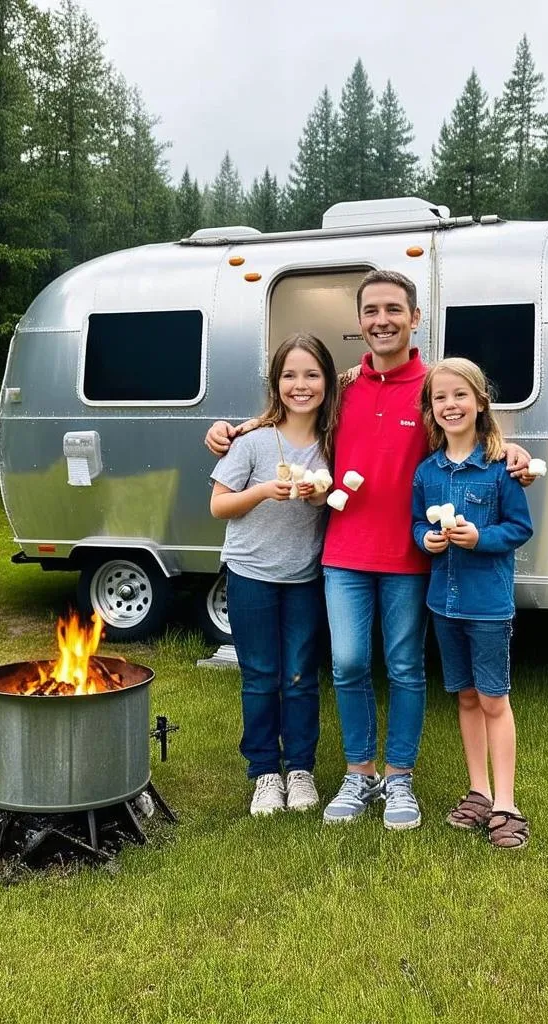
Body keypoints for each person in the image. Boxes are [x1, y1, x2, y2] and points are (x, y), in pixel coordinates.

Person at [206, 270, 534, 830]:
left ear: (414, 318)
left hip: (409, 557)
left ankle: (399, 778)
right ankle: (359, 772)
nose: (382, 320)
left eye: (393, 310)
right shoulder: (344, 387)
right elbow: (292, 412)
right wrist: (234, 431)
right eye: (371, 311)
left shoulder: (434, 385)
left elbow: (470, 427)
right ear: (359, 323)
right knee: (349, 663)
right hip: (341, 555)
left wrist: (513, 450)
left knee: (406, 668)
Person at [209, 333, 338, 817]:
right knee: (261, 676)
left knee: (301, 677)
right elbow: (219, 504)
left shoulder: (332, 442)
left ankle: (300, 769)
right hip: (252, 575)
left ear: (326, 381)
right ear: (275, 382)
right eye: (289, 375)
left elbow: (338, 496)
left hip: (305, 576)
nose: (300, 385)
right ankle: (264, 772)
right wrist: (264, 490)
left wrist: (321, 495)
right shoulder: (252, 441)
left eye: (311, 375)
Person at [412, 357, 534, 848]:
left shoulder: (500, 467)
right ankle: (478, 790)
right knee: (464, 696)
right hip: (444, 602)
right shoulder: (428, 471)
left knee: (492, 697)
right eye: (440, 397)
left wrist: (480, 536)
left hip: (487, 605)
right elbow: (416, 524)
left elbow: (519, 529)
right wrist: (427, 540)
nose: (450, 405)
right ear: (431, 410)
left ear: (480, 402)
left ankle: (507, 802)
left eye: (460, 395)